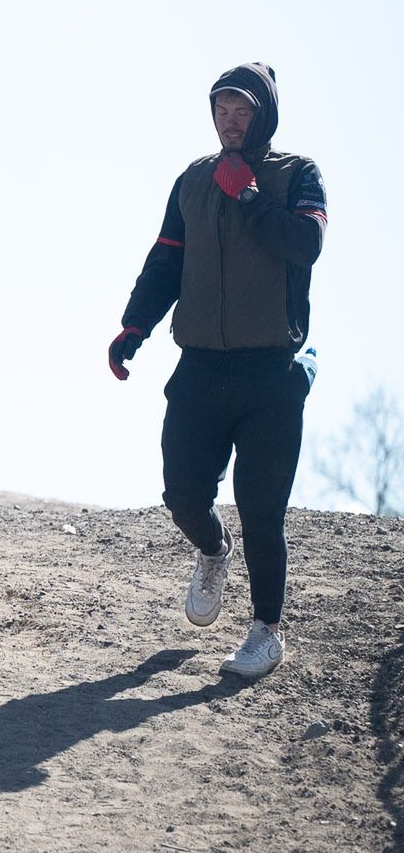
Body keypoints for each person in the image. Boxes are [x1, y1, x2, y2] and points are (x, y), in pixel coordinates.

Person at [109, 63, 326, 680]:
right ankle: (211, 551)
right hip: (200, 368)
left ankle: (266, 631)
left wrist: (251, 198)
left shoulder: (296, 174)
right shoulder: (192, 180)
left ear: (264, 114)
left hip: (270, 372)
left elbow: (305, 245)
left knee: (261, 508)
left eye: (243, 111)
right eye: (222, 111)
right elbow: (165, 263)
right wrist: (133, 327)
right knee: (181, 495)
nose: (231, 122)